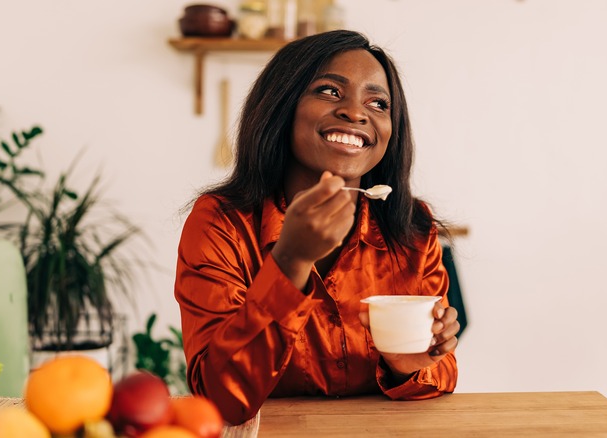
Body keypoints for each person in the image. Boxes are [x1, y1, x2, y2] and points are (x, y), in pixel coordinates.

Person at [174, 30, 459, 425]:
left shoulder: (412, 226)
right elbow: (220, 400)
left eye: (378, 103)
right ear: (282, 106)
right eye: (329, 91)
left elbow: (442, 373)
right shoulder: (220, 223)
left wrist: (408, 366)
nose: (356, 113)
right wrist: (290, 260)